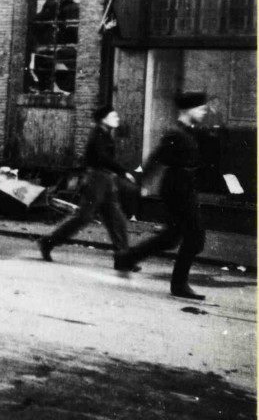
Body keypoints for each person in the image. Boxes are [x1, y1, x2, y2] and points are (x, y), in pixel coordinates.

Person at [115, 91, 209, 301]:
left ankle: (126, 258)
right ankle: (179, 284)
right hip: (178, 189)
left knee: (171, 238)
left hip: (184, 187)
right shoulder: (175, 133)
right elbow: (156, 158)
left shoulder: (189, 131)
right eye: (201, 108)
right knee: (194, 239)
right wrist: (138, 180)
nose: (205, 111)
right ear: (188, 110)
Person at [38, 105, 140, 269]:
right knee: (84, 217)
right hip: (97, 179)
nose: (117, 119)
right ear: (103, 119)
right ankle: (48, 242)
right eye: (113, 116)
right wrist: (122, 171)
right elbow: (102, 158)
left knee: (116, 219)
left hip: (106, 179)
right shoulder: (98, 135)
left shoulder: (105, 134)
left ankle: (122, 257)